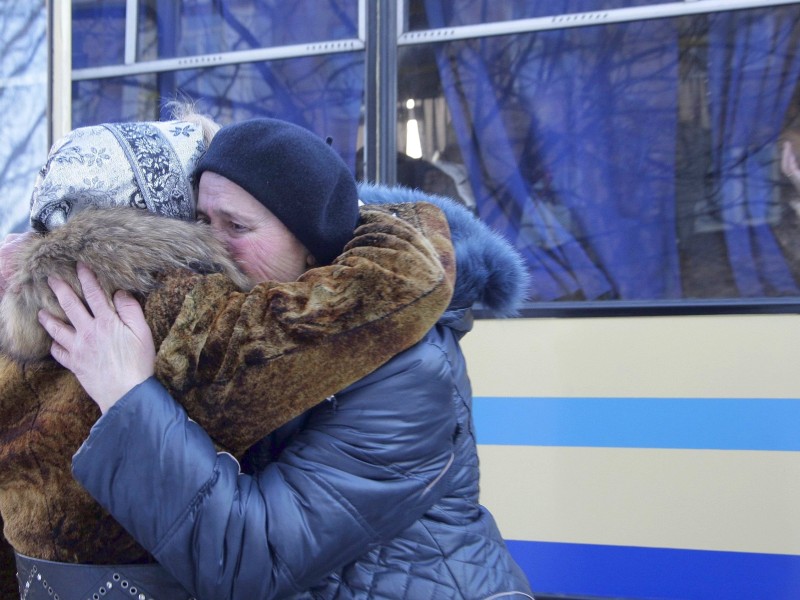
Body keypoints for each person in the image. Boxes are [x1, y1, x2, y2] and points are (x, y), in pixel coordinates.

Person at [40, 116, 535, 599]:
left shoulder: (408, 370)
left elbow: (250, 561)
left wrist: (126, 394)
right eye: (200, 221)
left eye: (236, 225)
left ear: (312, 254)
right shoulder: (248, 330)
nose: (209, 246)